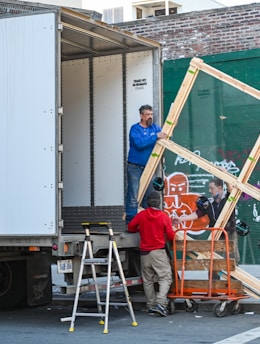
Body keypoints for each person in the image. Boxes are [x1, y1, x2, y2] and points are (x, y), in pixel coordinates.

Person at [127, 191, 175, 316]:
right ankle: (161, 303)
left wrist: (140, 228)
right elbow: (171, 235)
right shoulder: (163, 216)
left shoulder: (142, 215)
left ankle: (151, 306)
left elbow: (130, 227)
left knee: (147, 280)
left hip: (144, 253)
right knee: (165, 277)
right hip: (158, 252)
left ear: (148, 202)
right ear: (159, 202)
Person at [173, 177, 240, 265]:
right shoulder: (210, 203)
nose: (209, 191)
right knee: (214, 258)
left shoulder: (228, 199)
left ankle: (233, 277)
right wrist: (182, 219)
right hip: (216, 234)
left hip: (230, 232)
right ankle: (214, 278)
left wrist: (225, 174)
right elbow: (197, 214)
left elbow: (231, 190)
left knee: (233, 257)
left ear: (219, 188)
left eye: (212, 188)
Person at [125, 104, 167, 224]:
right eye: (147, 114)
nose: (150, 117)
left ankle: (147, 223)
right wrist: (155, 136)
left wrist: (166, 134)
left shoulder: (155, 128)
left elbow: (165, 137)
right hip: (135, 166)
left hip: (149, 166)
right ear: (141, 116)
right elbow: (139, 144)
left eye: (151, 114)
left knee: (149, 195)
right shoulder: (135, 129)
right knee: (133, 194)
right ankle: (131, 222)